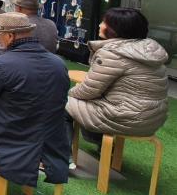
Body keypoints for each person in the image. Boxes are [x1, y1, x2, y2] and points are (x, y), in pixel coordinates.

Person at [0, 12, 70, 189]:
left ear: (10, 36)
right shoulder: (59, 63)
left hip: (10, 133)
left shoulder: (4, 63)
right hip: (49, 138)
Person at [66, 8, 168, 143]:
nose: (100, 25)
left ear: (115, 30)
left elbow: (88, 90)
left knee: (60, 103)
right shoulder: (149, 51)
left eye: (104, 22)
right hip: (153, 120)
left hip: (125, 118)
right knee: (87, 105)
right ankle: (103, 147)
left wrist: (68, 93)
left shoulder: (113, 53)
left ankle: (60, 153)